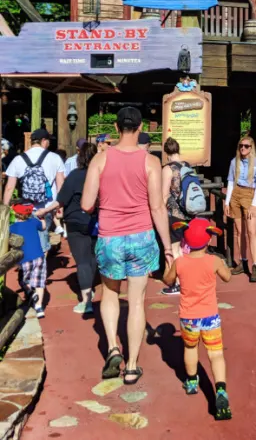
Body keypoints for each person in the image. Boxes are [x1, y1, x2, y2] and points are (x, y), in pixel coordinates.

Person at [82, 106, 173, 384]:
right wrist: (168, 246)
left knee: (109, 295)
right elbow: (157, 207)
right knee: (136, 302)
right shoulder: (151, 161)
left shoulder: (100, 159)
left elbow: (86, 204)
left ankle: (112, 348)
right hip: (142, 237)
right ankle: (132, 366)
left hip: (110, 236)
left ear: (117, 127)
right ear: (141, 126)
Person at [163, 218, 232, 421]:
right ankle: (220, 390)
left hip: (188, 317)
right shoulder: (214, 261)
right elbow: (227, 277)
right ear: (208, 239)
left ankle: (192, 382)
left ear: (185, 240)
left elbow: (168, 279)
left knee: (190, 348)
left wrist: (171, 263)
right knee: (216, 354)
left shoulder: (181, 262)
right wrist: (221, 265)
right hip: (210, 316)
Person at [36, 143, 98, 314]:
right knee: (92, 256)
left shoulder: (74, 176)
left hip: (75, 220)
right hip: (96, 220)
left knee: (82, 260)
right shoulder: (101, 175)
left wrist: (45, 210)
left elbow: (60, 199)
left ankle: (86, 300)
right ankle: (89, 286)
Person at [3, 129, 66, 247]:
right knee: (42, 241)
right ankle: (41, 264)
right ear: (43, 141)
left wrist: (5, 209)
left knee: (24, 241)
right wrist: (60, 207)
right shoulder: (55, 158)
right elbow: (60, 186)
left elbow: (9, 187)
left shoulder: (18, 159)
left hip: (24, 209)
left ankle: (27, 263)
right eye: (48, 141)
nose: (49, 144)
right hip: (46, 207)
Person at [223, 136, 256, 283]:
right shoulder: (235, 162)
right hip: (236, 194)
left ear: (251, 147)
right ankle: (243, 261)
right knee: (239, 231)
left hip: (249, 194)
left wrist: (254, 204)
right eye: (241, 146)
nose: (243, 149)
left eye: (246, 146)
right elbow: (230, 181)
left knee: (251, 231)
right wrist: (227, 202)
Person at [160, 137, 190, 296]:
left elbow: (164, 195)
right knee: (185, 250)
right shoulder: (188, 166)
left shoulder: (168, 169)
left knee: (175, 249)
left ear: (166, 153)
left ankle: (179, 284)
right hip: (188, 214)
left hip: (174, 215)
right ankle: (188, 280)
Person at [10, 203, 47, 318]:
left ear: (16, 214)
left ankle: (31, 293)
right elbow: (44, 227)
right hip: (39, 257)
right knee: (39, 282)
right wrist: (42, 218)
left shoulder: (13, 227)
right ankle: (39, 307)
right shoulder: (33, 222)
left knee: (24, 281)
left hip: (25, 259)